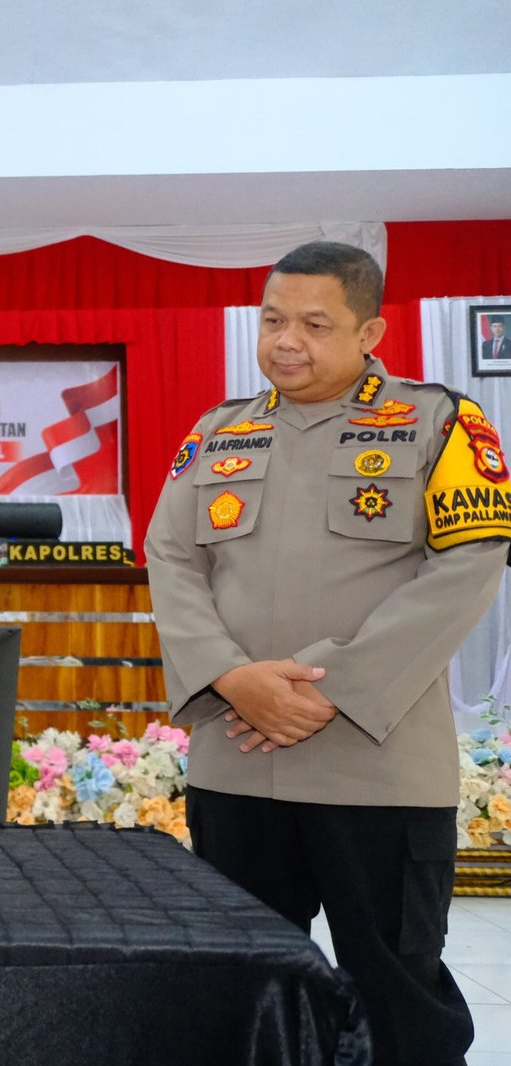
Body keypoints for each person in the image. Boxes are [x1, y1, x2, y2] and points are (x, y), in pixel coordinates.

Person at [145, 241, 510, 1065]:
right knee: (244, 991)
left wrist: (329, 687)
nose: (287, 341)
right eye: (273, 320)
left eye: (315, 324)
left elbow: (469, 565)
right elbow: (170, 555)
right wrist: (231, 677)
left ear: (369, 332)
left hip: (375, 769)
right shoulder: (219, 431)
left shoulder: (439, 423)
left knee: (397, 993)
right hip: (237, 762)